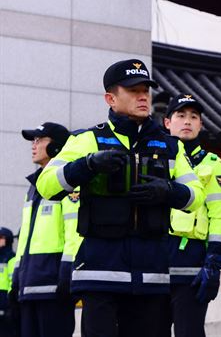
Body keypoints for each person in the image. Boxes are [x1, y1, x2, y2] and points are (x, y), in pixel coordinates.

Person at [36, 59, 204, 337]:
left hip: (152, 275)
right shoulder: (87, 139)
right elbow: (46, 186)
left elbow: (196, 197)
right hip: (99, 275)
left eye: (146, 90)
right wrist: (87, 165)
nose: (143, 96)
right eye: (133, 90)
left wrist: (168, 191)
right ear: (110, 98)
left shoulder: (170, 145)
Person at [163, 94, 221, 337]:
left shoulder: (213, 164)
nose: (187, 121)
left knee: (189, 331)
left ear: (201, 125)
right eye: (180, 116)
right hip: (154, 257)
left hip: (192, 259)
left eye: (194, 117)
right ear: (167, 122)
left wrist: (214, 261)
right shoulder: (156, 158)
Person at [10, 123, 78, 337]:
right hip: (29, 288)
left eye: (39, 140)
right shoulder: (33, 187)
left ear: (56, 147)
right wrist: (16, 278)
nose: (34, 145)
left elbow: (74, 230)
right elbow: (25, 238)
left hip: (54, 289)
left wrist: (68, 272)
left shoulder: (69, 183)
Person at [0, 228, 14, 337]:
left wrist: (10, 305)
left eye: (0, 237)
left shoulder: (11, 258)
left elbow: (12, 282)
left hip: (6, 304)